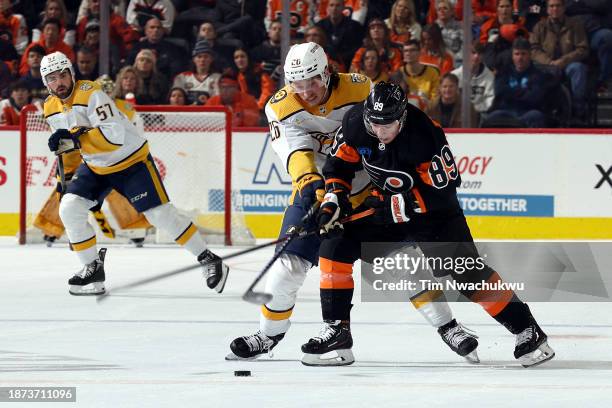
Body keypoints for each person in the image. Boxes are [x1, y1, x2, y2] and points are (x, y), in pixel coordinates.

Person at [223, 42, 478, 363]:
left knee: (400, 263)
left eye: (312, 81)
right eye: (297, 85)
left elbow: (383, 142)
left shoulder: (359, 89)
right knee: (287, 266)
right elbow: (297, 154)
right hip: (315, 190)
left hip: (368, 191)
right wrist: (318, 192)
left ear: (327, 72)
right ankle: (268, 334)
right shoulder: (281, 106)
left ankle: (448, 327)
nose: (306, 92)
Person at [301, 81, 555, 368]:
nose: (379, 131)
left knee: (466, 275)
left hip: (436, 214)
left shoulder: (425, 134)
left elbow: (444, 190)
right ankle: (337, 331)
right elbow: (339, 165)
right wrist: (334, 198)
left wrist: (398, 204)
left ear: (403, 117)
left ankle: (527, 330)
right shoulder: (355, 122)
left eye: (387, 124)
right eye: (374, 123)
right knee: (335, 245)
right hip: (387, 210)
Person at [39, 51, 228, 296]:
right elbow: (68, 148)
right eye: (52, 78)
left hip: (130, 162)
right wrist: (64, 178)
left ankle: (209, 259)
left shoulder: (90, 93)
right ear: (46, 83)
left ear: (71, 73)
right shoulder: (50, 108)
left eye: (63, 75)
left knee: (160, 215)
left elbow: (114, 135)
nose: (59, 82)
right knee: (69, 206)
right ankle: (91, 267)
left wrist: (76, 137)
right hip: (96, 167)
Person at [34, 74, 153, 248]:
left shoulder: (122, 107)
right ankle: (52, 228)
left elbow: (133, 134)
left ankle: (135, 228)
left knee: (117, 189)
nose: (105, 92)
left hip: (110, 156)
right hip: (79, 155)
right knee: (66, 191)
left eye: (108, 89)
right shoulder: (77, 103)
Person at [530, 0, 589, 118]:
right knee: (533, 70)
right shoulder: (539, 26)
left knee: (578, 69)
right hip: (546, 65)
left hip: (568, 64)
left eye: (558, 6)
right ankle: (540, 110)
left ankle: (578, 110)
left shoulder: (575, 24)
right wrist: (549, 62)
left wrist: (564, 61)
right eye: (551, 6)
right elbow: (533, 49)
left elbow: (583, 49)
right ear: (547, 9)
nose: (555, 9)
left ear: (564, 8)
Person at [487, 38, 554, 127]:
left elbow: (534, 97)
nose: (520, 58)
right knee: (493, 117)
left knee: (536, 116)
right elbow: (499, 92)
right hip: (506, 111)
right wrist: (523, 92)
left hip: (528, 112)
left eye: (523, 54)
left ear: (530, 55)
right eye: (517, 54)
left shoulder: (539, 74)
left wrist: (511, 92)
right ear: (512, 56)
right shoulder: (504, 72)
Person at [390, 39, 441, 109]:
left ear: (420, 52)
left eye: (412, 50)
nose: (408, 53)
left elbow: (435, 99)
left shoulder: (432, 73)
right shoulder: (399, 73)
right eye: (406, 51)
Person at [451, 41, 495, 114]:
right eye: (473, 52)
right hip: (458, 112)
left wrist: (474, 109)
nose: (476, 56)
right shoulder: (454, 75)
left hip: (480, 113)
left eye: (480, 53)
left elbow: (490, 100)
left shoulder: (490, 76)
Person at [172, 40, 221, 105]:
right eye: (199, 57)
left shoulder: (218, 78)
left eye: (206, 56)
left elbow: (218, 100)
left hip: (210, 113)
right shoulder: (182, 77)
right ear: (194, 59)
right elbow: (175, 101)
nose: (202, 60)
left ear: (211, 59)